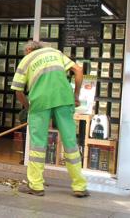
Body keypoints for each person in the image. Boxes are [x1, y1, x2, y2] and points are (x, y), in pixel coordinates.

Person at [11, 41, 88, 198]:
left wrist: (28, 107)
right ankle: (79, 186)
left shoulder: (26, 60)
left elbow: (18, 90)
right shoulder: (56, 53)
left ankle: (36, 186)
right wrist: (76, 95)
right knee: (70, 143)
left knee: (37, 145)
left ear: (28, 50)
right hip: (64, 99)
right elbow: (78, 70)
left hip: (40, 102)